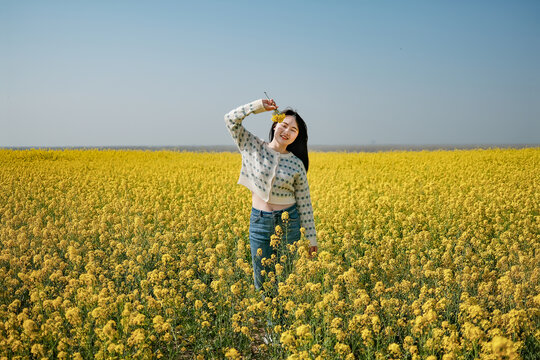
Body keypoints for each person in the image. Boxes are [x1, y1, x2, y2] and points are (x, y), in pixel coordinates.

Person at [224, 98, 318, 297]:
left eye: (294, 130)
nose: (287, 131)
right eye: (284, 125)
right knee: (263, 284)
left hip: (289, 224)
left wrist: (311, 239)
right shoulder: (253, 146)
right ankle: (270, 326)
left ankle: (283, 326)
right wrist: (258, 106)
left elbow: (304, 203)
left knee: (286, 283)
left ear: (297, 137)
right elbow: (230, 119)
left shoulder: (296, 164)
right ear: (275, 125)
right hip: (260, 223)